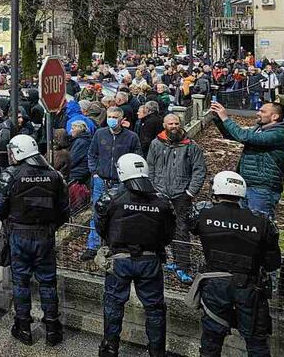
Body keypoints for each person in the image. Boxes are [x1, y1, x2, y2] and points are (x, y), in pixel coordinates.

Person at [189, 171, 281, 357]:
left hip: (215, 285)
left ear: (216, 190)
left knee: (211, 342)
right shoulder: (261, 222)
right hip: (249, 287)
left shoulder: (204, 215)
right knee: (256, 343)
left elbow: (189, 224)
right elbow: (273, 262)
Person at [94, 153, 176, 357]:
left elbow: (101, 227)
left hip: (119, 260)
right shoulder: (162, 201)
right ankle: (157, 351)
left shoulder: (111, 198)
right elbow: (168, 234)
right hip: (150, 260)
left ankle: (110, 348)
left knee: (113, 304)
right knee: (155, 308)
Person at [0, 134, 69, 346]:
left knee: (21, 282)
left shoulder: (11, 175)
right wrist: (49, 227)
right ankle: (53, 328)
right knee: (47, 282)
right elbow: (64, 211)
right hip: (44, 235)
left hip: (19, 235)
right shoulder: (54, 176)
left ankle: (24, 327)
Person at [146, 112, 206, 283]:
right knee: (160, 228)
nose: (174, 126)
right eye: (170, 124)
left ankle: (183, 265)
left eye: (176, 123)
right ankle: (162, 259)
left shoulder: (190, 145)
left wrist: (190, 192)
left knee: (181, 229)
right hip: (160, 192)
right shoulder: (156, 144)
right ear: (164, 125)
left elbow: (199, 170)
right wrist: (152, 188)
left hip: (181, 194)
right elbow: (150, 166)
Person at [210, 101, 284, 220]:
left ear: (275, 116)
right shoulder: (259, 129)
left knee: (259, 226)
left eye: (262, 111)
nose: (258, 113)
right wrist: (218, 118)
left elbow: (244, 137)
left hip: (262, 189)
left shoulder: (281, 134)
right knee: (243, 226)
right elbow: (232, 135)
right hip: (245, 186)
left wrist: (225, 117)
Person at [82, 106, 141, 261]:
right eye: (109, 116)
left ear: (122, 120)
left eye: (115, 117)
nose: (112, 119)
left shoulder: (132, 137)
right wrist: (94, 173)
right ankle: (93, 246)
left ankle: (116, 245)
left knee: (119, 214)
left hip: (120, 182)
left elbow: (137, 157)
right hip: (101, 180)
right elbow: (92, 154)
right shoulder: (100, 134)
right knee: (97, 212)